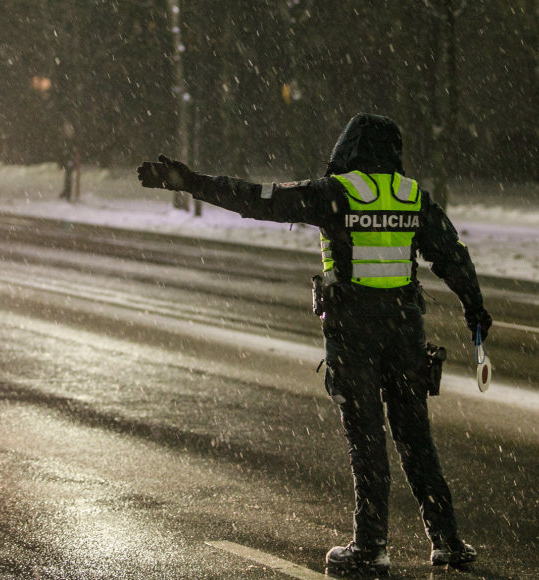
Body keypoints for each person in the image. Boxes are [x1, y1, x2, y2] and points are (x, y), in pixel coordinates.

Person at [137, 113, 492, 575]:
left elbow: (259, 199)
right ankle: (447, 540)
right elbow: (451, 254)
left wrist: (191, 182)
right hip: (405, 330)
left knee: (366, 440)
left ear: (348, 150)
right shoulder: (412, 197)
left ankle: (371, 547)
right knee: (415, 436)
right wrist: (474, 308)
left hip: (353, 332)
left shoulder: (335, 194)